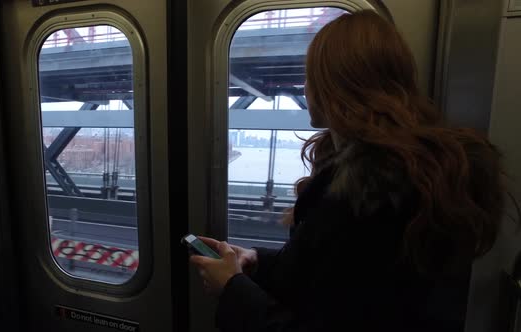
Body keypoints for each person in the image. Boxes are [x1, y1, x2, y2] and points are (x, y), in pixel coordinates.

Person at [190, 10, 505, 332]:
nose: (304, 86)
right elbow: (325, 279)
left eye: (309, 75)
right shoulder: (402, 179)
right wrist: (256, 261)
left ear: (332, 87)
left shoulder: (370, 200)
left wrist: (232, 290)